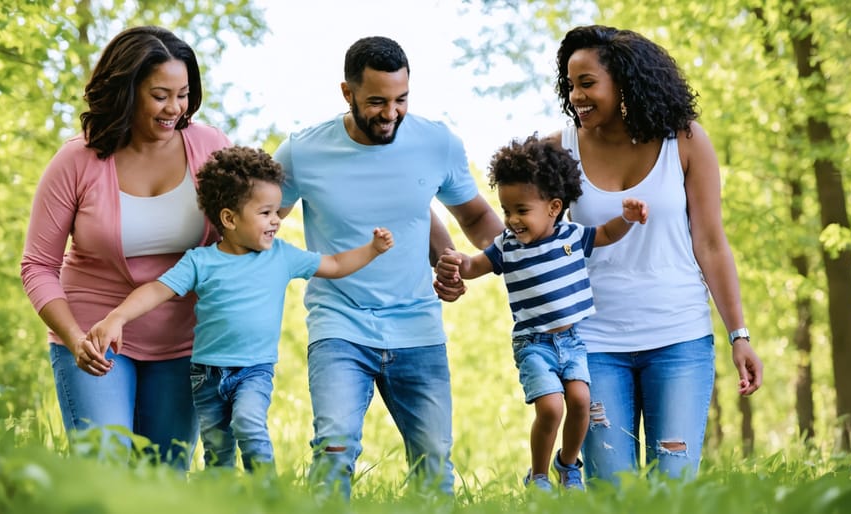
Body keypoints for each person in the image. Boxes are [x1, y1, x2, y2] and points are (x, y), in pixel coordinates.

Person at [272, 35, 504, 499]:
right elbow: (261, 224)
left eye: (401, 100)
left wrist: (504, 259)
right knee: (335, 448)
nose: (390, 113)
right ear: (347, 93)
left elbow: (476, 218)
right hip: (339, 322)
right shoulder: (302, 151)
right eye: (377, 101)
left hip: (417, 324)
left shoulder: (435, 142)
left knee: (435, 464)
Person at [84, 146, 394, 472]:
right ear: (229, 218)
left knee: (248, 424)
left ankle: (267, 493)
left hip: (254, 371)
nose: (276, 221)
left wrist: (372, 249)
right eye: (265, 213)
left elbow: (334, 263)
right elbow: (156, 290)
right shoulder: (200, 261)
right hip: (206, 375)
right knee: (217, 453)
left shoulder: (281, 256)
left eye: (277, 212)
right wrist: (116, 317)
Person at [550, 25, 763, 483]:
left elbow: (710, 243)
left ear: (624, 82)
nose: (576, 96)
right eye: (571, 84)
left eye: (588, 83)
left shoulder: (683, 141)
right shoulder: (558, 151)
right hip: (593, 343)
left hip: (679, 340)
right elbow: (521, 224)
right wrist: (473, 262)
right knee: (613, 490)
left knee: (673, 487)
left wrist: (738, 334)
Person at [20, 26, 232, 469]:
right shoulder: (77, 160)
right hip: (93, 340)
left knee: (164, 478)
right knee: (108, 469)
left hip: (181, 342)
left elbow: (237, 235)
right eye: (160, 95)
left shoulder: (209, 148)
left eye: (184, 94)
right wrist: (76, 339)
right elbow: (38, 265)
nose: (175, 108)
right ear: (127, 90)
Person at [435, 135, 649, 492]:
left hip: (572, 341)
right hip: (533, 343)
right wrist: (458, 262)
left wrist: (627, 218)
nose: (512, 220)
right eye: (506, 211)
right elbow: (475, 265)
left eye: (521, 211)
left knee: (581, 401)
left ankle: (567, 465)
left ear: (553, 207)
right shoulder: (506, 247)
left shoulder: (570, 236)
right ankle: (537, 476)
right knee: (551, 408)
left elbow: (608, 233)